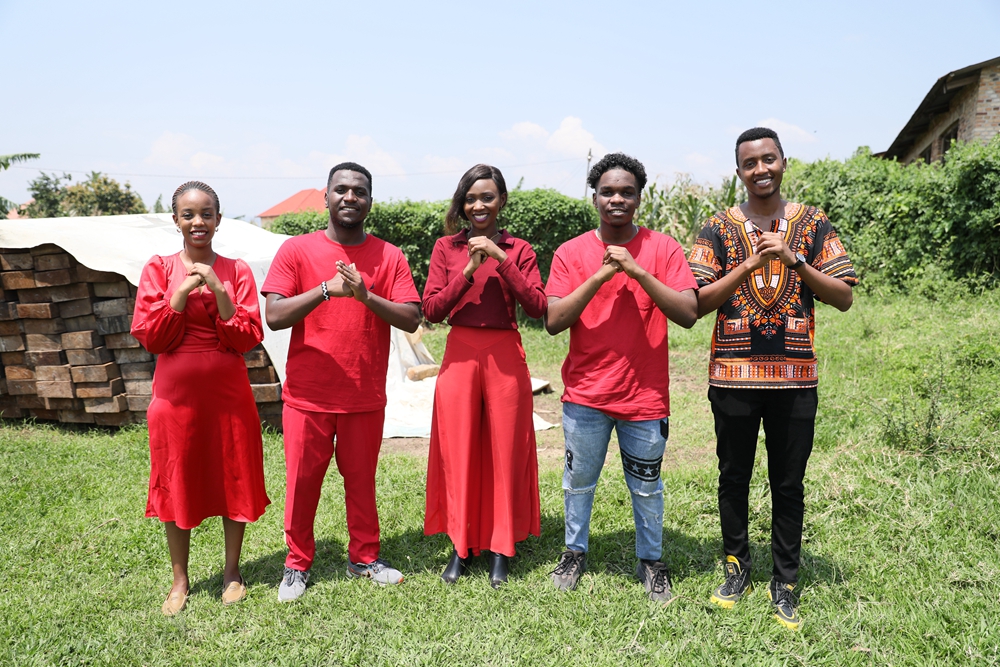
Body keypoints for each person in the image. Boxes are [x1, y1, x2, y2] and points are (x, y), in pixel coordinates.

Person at [688, 127, 857, 630]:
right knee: (733, 476)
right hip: (733, 377)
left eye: (768, 159)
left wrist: (793, 259)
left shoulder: (814, 223)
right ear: (738, 171)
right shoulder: (716, 228)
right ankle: (736, 567)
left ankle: (785, 580)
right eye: (750, 163)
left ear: (784, 161)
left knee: (788, 483)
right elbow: (698, 302)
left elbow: (844, 297)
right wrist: (748, 265)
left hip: (795, 378)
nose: (760, 169)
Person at [262, 162, 421, 602]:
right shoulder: (296, 250)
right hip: (307, 395)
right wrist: (326, 289)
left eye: (359, 191)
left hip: (363, 394)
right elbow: (274, 316)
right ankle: (296, 564)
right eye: (341, 189)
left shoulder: (389, 256)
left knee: (361, 481)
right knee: (302, 484)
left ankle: (364, 558)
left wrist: (365, 296)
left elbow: (412, 316)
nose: (350, 197)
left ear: (370, 201)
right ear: (327, 197)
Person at [544, 153, 698, 602]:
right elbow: (553, 320)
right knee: (578, 483)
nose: (617, 199)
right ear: (594, 197)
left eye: (627, 192)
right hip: (585, 396)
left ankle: (651, 561)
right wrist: (601, 275)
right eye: (608, 191)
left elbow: (688, 313)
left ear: (639, 198)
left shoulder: (663, 248)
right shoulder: (571, 252)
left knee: (647, 487)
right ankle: (574, 552)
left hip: (644, 397)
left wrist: (636, 269)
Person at [131, 181, 269, 616]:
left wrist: (218, 287)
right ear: (175, 220)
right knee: (177, 481)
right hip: (175, 400)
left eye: (206, 214)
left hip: (228, 396)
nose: (198, 222)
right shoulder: (159, 268)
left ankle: (232, 572)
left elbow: (246, 337)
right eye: (188, 214)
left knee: (233, 478)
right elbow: (153, 338)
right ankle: (180, 581)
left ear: (219, 219)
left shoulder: (237, 270)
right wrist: (183, 290)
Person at [422, 164, 546, 589]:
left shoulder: (519, 248)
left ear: (501, 201)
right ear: (462, 204)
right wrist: (469, 269)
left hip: (504, 353)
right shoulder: (446, 247)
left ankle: (500, 548)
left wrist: (501, 259)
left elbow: (537, 307)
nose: (479, 206)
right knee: (458, 451)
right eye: (471, 198)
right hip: (459, 352)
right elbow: (432, 310)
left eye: (487, 197)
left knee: (505, 451)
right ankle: (461, 546)